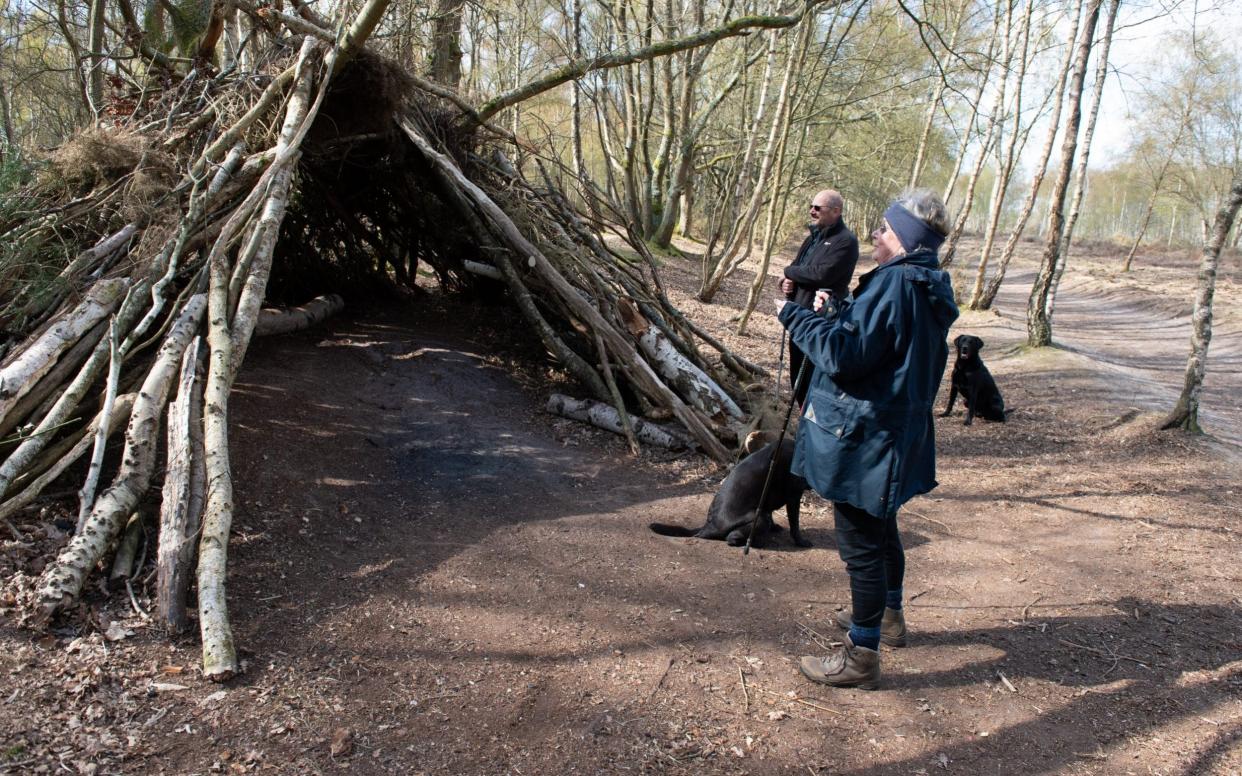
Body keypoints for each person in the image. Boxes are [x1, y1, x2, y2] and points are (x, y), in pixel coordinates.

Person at [773, 189, 959, 690]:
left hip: (866, 437)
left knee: (861, 548)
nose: (875, 234)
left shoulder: (896, 285)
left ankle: (861, 654)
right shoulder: (924, 282)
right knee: (881, 531)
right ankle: (890, 618)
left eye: (884, 228)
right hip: (891, 433)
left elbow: (846, 358)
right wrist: (836, 311)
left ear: (904, 240)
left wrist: (794, 317)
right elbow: (877, 346)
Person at [780, 190, 859, 406]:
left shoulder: (846, 241)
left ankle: (813, 426)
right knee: (797, 375)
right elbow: (799, 268)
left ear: (836, 211)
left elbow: (820, 274)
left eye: (817, 208)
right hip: (798, 315)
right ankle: (803, 420)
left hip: (822, 321)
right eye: (811, 206)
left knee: (813, 378)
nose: (812, 211)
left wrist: (788, 271)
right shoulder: (812, 238)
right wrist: (785, 282)